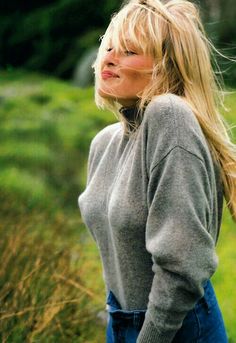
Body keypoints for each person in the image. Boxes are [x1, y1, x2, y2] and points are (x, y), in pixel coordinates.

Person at [78, 0, 236, 342]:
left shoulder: (170, 117)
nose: (110, 56)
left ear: (167, 67)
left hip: (174, 328)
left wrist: (149, 335)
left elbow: (184, 264)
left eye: (130, 50)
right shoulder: (104, 143)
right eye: (109, 46)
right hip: (119, 321)